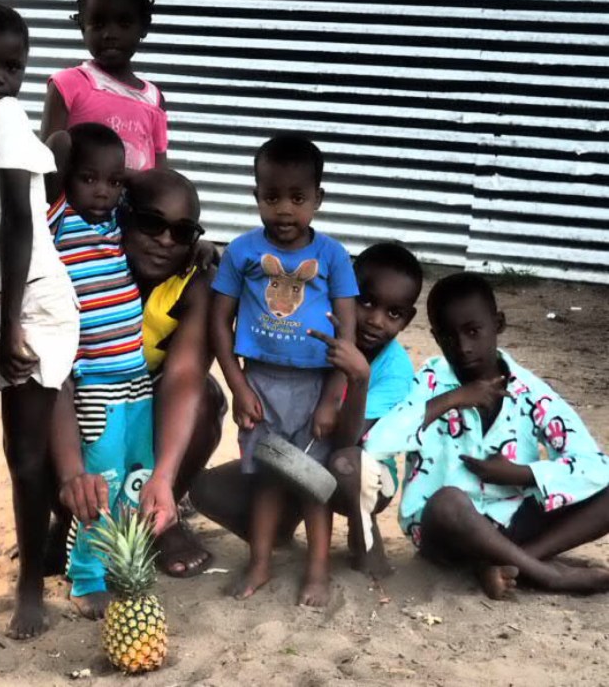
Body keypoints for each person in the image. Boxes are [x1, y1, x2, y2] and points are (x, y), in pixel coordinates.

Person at [0, 3, 80, 639]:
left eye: (13, 67)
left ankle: (30, 585)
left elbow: (21, 224)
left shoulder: (5, 117)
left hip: (26, 301)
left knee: (25, 457)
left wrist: (10, 331)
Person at [364, 271, 609, 599]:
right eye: (450, 337)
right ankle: (549, 577)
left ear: (499, 324)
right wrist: (453, 399)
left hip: (512, 524)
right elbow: (376, 444)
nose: (463, 347)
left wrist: (522, 474)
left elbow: (595, 465)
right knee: (449, 501)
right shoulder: (431, 383)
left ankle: (509, 564)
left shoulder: (529, 391)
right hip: (443, 531)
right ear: (436, 338)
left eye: (473, 331)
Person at [190, 241, 423, 578]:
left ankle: (363, 535)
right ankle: (280, 527)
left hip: (360, 474)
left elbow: (348, 438)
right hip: (301, 453)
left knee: (344, 464)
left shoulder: (396, 369)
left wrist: (357, 380)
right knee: (208, 490)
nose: (374, 320)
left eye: (393, 313)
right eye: (366, 302)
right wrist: (213, 256)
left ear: (407, 319)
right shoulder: (314, 333)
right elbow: (272, 288)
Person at [209, 134, 358, 607]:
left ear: (318, 198)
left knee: (312, 482)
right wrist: (237, 386)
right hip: (261, 385)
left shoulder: (333, 256)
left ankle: (317, 570)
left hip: (313, 387)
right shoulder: (241, 252)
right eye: (272, 197)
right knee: (269, 479)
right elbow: (219, 320)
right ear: (256, 196)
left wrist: (331, 398)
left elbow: (346, 334)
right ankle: (260, 563)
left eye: (298, 198)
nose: (285, 210)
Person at [45, 124, 156, 619]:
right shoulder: (60, 219)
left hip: (136, 378)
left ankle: (117, 562)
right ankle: (85, 576)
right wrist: (72, 167)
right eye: (89, 179)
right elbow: (56, 152)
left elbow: (150, 187)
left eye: (113, 181)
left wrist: (121, 180)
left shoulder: (115, 222)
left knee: (136, 478)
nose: (103, 190)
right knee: (100, 483)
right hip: (93, 383)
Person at [121, 169, 225, 577]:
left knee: (206, 398)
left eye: (182, 232)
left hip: (153, 405)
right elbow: (60, 147)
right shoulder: (91, 262)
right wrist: (122, 177)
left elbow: (184, 374)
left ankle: (161, 517)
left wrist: (163, 477)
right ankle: (70, 519)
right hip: (89, 405)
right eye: (151, 223)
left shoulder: (194, 285)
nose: (166, 240)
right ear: (123, 217)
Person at [41, 0, 167, 171]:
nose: (110, 34)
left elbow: (160, 176)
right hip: (75, 204)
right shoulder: (67, 84)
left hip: (134, 203)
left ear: (143, 27)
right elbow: (46, 164)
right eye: (98, 24)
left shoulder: (154, 99)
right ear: (83, 27)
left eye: (124, 23)